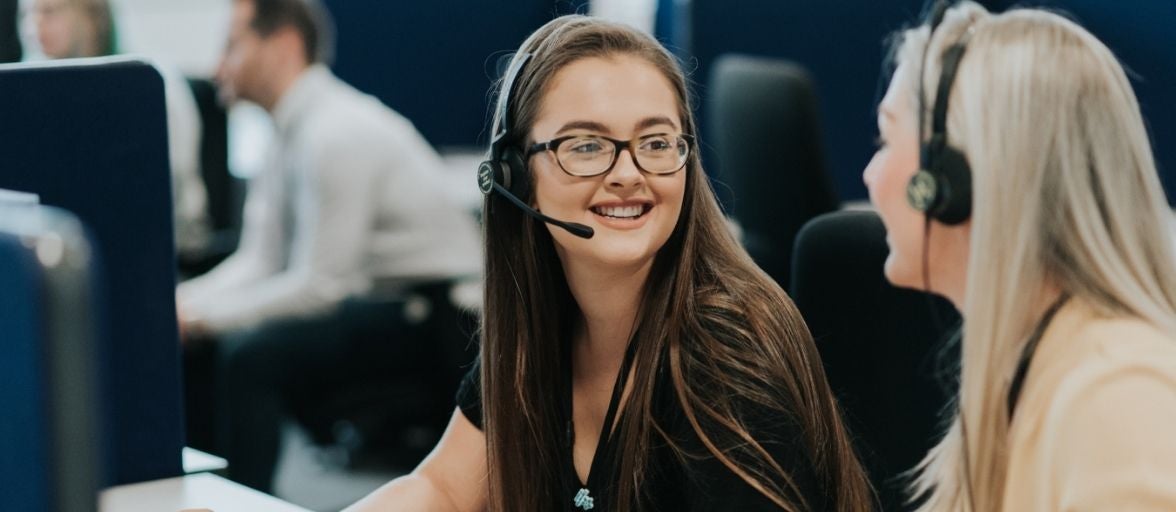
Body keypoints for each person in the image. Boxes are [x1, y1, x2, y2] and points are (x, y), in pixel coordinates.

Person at [348, 15, 872, 512]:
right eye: (588, 145)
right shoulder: (540, 323)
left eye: (656, 142)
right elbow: (442, 488)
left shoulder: (726, 356)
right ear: (513, 174)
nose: (628, 172)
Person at [865, 2, 1176, 510]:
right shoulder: (1032, 361)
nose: (869, 176)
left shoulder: (1115, 397)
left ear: (948, 183)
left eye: (885, 138)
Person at [176, 0, 481, 493]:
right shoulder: (284, 135)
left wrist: (202, 318)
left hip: (437, 314)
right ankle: (202, 491)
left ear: (284, 46)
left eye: (232, 45)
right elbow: (260, 261)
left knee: (250, 356)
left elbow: (320, 287)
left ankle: (245, 499)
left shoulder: (335, 132)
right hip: (379, 298)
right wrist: (185, 308)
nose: (217, 67)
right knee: (202, 346)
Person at [30, 0, 212, 257]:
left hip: (163, 253)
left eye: (50, 11)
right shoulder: (33, 93)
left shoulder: (148, 82)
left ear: (91, 19)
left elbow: (163, 193)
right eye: (30, 14)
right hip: (69, 250)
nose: (34, 25)